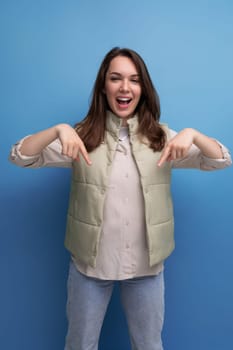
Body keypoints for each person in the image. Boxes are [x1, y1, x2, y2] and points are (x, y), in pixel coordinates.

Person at [9, 47, 231, 350]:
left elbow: (220, 160)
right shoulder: (81, 137)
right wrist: (58, 130)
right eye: (116, 78)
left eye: (134, 80)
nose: (125, 87)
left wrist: (192, 134)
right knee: (79, 345)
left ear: (143, 89)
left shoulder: (162, 139)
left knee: (149, 346)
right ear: (104, 86)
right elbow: (20, 157)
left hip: (147, 269)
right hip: (90, 268)